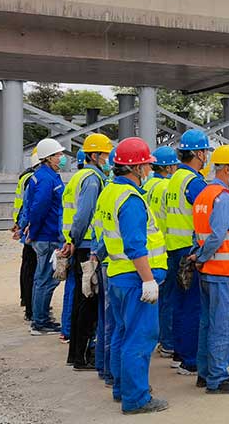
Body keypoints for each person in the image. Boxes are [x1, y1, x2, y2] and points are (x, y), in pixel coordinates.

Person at [98, 137, 168, 414]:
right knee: (139, 339)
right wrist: (148, 279)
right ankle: (136, 399)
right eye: (146, 166)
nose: (149, 170)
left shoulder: (109, 192)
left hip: (117, 275)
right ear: (136, 168)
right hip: (134, 279)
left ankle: (121, 389)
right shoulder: (130, 199)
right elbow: (135, 245)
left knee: (121, 334)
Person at [188, 145, 229, 394]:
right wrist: (202, 255)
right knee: (225, 324)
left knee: (207, 323)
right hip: (223, 271)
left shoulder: (204, 194)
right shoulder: (223, 197)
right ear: (226, 169)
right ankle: (218, 378)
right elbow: (217, 235)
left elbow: (197, 233)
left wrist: (197, 257)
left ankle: (205, 373)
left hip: (207, 271)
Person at [61, 133, 113, 370]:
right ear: (95, 156)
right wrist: (74, 239)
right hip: (86, 245)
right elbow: (83, 216)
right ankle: (82, 356)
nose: (108, 158)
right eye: (105, 154)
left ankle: (75, 354)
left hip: (79, 243)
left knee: (81, 301)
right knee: (88, 302)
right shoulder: (93, 180)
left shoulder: (79, 176)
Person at [164, 129, 209, 375]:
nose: (206, 157)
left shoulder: (174, 179)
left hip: (173, 249)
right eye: (204, 152)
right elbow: (206, 213)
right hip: (188, 252)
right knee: (192, 305)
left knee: (179, 304)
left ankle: (179, 353)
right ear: (197, 153)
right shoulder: (194, 182)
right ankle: (190, 360)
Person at [25, 138, 67, 335]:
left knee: (41, 278)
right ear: (48, 158)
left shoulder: (45, 175)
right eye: (58, 155)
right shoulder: (46, 178)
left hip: (45, 233)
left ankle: (39, 318)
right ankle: (40, 322)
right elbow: (39, 208)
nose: (61, 158)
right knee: (46, 279)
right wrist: (33, 233)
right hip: (47, 235)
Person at [145, 146, 179, 358]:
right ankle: (167, 342)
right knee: (169, 299)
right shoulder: (167, 187)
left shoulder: (147, 184)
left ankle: (159, 337)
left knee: (158, 300)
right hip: (166, 247)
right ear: (168, 166)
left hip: (149, 250)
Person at [93, 146, 117, 387]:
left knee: (105, 320)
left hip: (104, 261)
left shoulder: (106, 192)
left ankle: (103, 366)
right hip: (115, 264)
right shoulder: (123, 195)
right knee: (115, 323)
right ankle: (110, 372)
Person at [13, 148, 40, 322]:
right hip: (31, 228)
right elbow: (31, 206)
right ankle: (31, 307)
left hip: (25, 225)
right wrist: (22, 225)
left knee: (27, 265)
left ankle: (27, 300)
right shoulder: (33, 178)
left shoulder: (26, 176)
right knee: (32, 268)